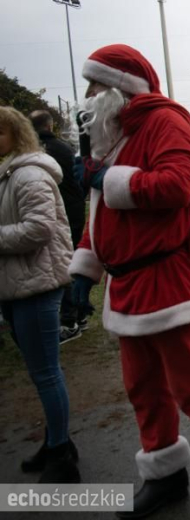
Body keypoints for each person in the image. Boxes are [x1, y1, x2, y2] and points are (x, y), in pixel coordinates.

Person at [68, 44, 190, 518]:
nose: (87, 95)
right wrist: (84, 270)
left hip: (165, 275)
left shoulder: (166, 121)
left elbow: (177, 185)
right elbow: (102, 210)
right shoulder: (117, 133)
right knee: (143, 385)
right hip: (127, 283)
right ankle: (165, 474)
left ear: (119, 87)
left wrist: (109, 178)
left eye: (93, 85)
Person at [0, 106, 80, 483]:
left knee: (47, 372)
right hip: (17, 284)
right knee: (40, 370)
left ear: (17, 134)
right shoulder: (9, 173)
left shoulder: (30, 174)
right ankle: (55, 441)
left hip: (38, 284)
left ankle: (62, 453)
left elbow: (39, 228)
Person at [29, 110, 86, 344]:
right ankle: (77, 316)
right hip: (71, 212)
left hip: (59, 215)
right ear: (50, 126)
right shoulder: (63, 148)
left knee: (62, 266)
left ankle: (70, 320)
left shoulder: (39, 153)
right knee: (68, 263)